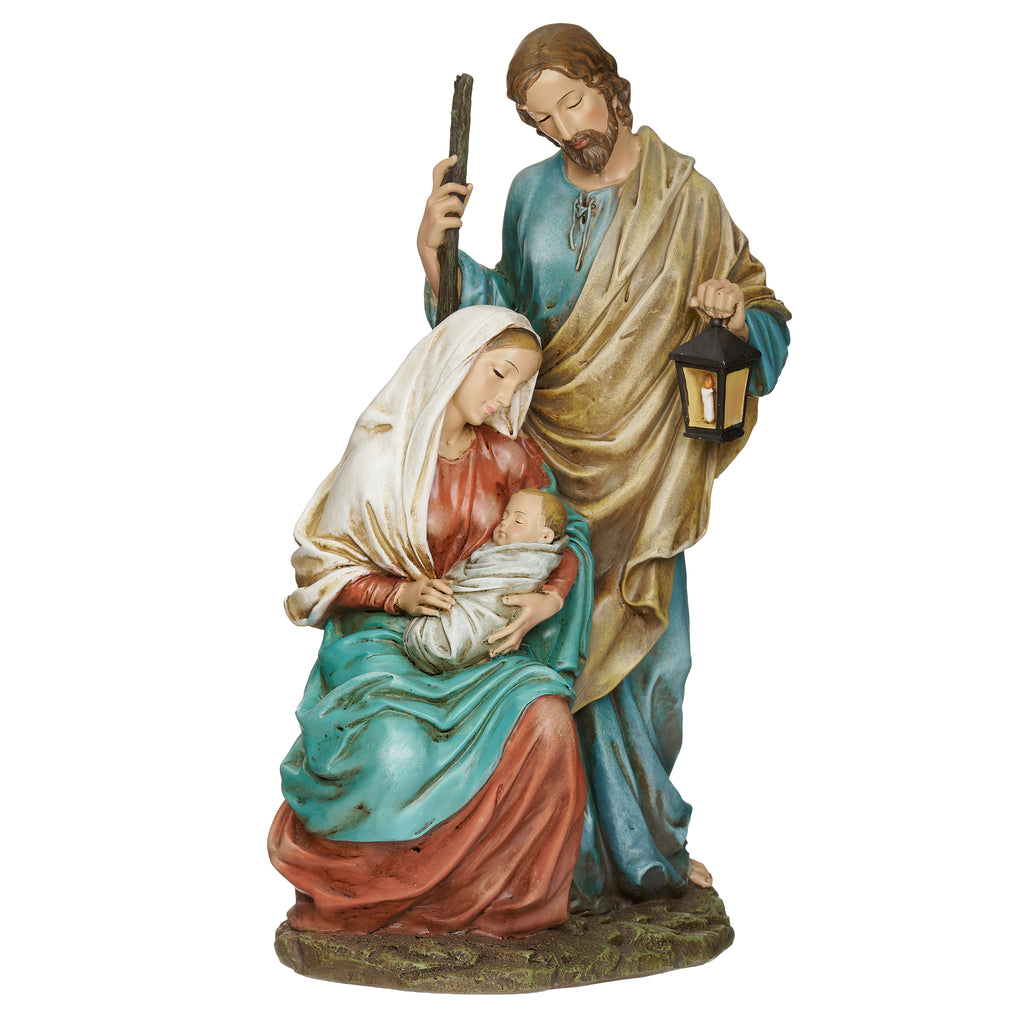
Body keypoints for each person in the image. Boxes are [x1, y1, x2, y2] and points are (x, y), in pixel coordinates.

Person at [416, 24, 792, 907]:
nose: (564, 130)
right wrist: (436, 253)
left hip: (650, 471)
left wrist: (734, 311)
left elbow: (768, 315)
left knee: (657, 669)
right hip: (546, 472)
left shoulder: (686, 198)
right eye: (541, 120)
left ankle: (646, 847)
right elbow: (501, 323)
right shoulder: (528, 193)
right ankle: (557, 861)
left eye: (573, 103)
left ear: (612, 89)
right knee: (545, 656)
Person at [268, 305, 594, 937]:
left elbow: (566, 530)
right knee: (393, 746)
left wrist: (551, 598)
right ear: (457, 359)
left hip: (477, 642)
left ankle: (500, 907)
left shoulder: (510, 457)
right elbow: (322, 571)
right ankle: (376, 905)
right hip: (382, 641)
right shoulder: (383, 456)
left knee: (548, 724)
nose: (505, 398)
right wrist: (399, 595)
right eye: (499, 373)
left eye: (519, 385)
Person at [404, 488, 569, 674]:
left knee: (442, 640)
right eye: (504, 517)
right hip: (455, 610)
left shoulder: (528, 565)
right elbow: (462, 578)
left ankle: (442, 645)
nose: (504, 523)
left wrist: (553, 598)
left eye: (518, 521)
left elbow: (490, 593)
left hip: (479, 620)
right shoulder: (493, 550)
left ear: (545, 536)